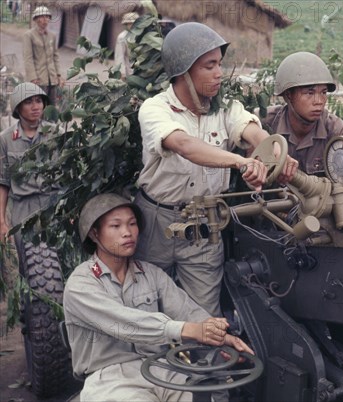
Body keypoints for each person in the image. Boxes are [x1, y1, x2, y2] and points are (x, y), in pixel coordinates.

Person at [134, 22, 298, 321]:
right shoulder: (154, 108)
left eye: (220, 64)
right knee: (148, 307)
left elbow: (253, 134)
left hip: (205, 224)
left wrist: (277, 155)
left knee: (204, 317)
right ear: (184, 72)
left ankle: (201, 364)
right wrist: (240, 162)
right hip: (157, 222)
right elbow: (184, 144)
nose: (219, 73)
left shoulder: (227, 109)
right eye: (209, 66)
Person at [64, 193, 253, 401]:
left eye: (132, 224)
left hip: (161, 369)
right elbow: (124, 323)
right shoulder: (81, 283)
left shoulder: (150, 273)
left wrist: (220, 339)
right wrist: (189, 330)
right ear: (94, 234)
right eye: (115, 226)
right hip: (111, 379)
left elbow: (187, 310)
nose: (127, 233)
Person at [258, 51, 343, 175]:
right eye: (310, 93)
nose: (319, 101)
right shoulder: (265, 123)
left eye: (323, 93)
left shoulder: (337, 132)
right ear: (288, 95)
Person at [0, 83, 57, 260]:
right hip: (22, 207)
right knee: (29, 260)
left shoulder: (56, 133)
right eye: (29, 102)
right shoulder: (6, 139)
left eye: (39, 101)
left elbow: (68, 175)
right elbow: (3, 183)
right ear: (18, 107)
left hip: (52, 203)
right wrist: (2, 221)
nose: (35, 107)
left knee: (56, 258)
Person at [23, 6, 64, 106]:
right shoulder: (29, 35)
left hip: (52, 78)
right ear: (36, 19)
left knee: (52, 106)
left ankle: (51, 122)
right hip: (39, 79)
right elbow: (28, 58)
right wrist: (33, 77)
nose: (45, 19)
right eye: (42, 17)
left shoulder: (52, 35)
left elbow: (55, 56)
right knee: (39, 106)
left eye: (47, 17)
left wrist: (59, 75)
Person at [114, 12, 139, 79]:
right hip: (130, 71)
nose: (132, 25)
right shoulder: (122, 37)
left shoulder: (141, 35)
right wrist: (122, 73)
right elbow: (119, 56)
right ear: (126, 24)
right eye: (129, 23)